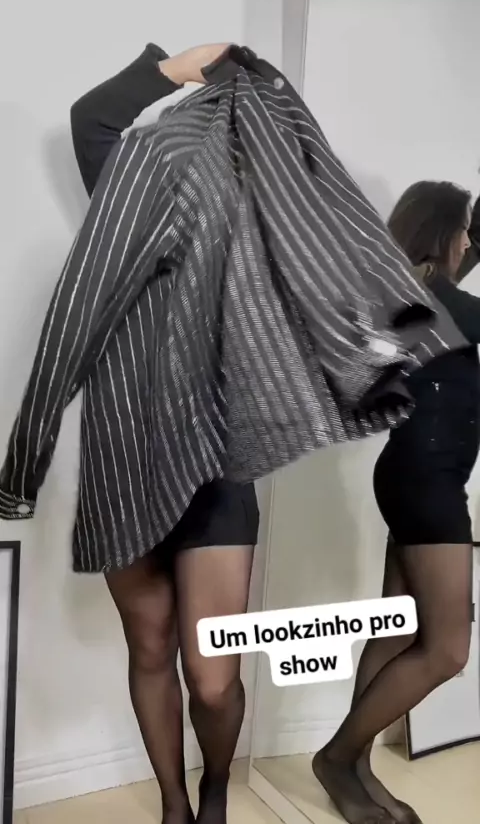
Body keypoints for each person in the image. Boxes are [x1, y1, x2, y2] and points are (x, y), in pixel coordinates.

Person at [70, 41, 260, 824]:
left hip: (216, 473)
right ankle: (176, 806)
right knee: (149, 647)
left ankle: (215, 786)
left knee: (212, 678)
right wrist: (174, 66)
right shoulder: (134, 203)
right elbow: (92, 119)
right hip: (124, 467)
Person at [312, 180, 478, 824]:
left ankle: (355, 768)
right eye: (463, 232)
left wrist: (469, 234)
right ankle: (337, 757)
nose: (467, 242)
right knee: (447, 649)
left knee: (398, 626)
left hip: (416, 474)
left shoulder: (410, 293)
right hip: (428, 482)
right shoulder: (432, 300)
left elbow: (456, 275)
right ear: (446, 236)